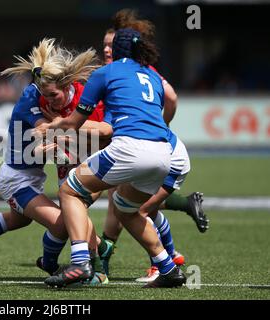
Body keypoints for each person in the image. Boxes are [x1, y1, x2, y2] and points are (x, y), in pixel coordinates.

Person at [0, 38, 111, 284]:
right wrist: (63, 137)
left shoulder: (79, 95)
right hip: (16, 178)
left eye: (53, 95)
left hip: (35, 177)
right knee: (64, 221)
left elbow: (81, 136)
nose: (49, 101)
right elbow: (43, 132)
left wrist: (70, 137)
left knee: (17, 219)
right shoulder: (30, 99)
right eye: (45, 95)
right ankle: (51, 264)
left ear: (67, 85)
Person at [35, 28, 187, 288]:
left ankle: (81, 262)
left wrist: (52, 126)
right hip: (164, 153)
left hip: (129, 149)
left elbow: (75, 122)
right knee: (128, 210)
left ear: (115, 50)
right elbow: (170, 99)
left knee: (70, 190)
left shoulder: (106, 72)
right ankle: (168, 268)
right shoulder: (152, 74)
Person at [97, 11, 209, 281]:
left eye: (111, 45)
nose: (106, 49)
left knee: (132, 209)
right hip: (141, 150)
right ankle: (163, 257)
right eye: (104, 45)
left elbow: (170, 97)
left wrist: (65, 126)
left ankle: (159, 263)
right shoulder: (123, 72)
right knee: (126, 206)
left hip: (152, 151)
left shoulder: (132, 72)